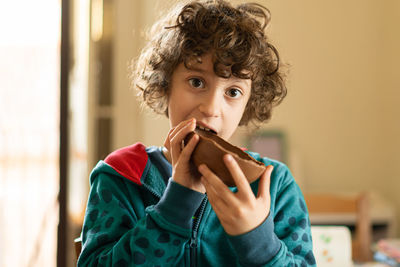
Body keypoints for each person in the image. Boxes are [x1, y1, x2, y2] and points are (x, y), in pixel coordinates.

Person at [78, 0, 316, 266]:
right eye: (197, 82)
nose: (211, 107)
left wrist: (257, 240)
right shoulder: (122, 176)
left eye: (233, 92)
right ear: (165, 85)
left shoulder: (273, 186)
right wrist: (175, 206)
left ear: (249, 104)